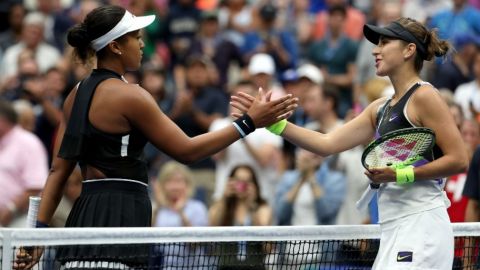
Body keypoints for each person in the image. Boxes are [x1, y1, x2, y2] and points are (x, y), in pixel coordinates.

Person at [14, 5, 297, 270]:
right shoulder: (131, 95)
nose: (141, 43)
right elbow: (187, 151)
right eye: (135, 37)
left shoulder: (74, 95)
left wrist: (36, 234)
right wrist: (249, 123)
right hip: (121, 223)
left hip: (81, 224)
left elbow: (57, 171)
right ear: (114, 46)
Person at [232, 17, 469, 269]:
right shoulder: (379, 108)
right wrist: (273, 123)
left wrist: (401, 174)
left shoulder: (424, 96)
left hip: (422, 224)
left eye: (385, 42)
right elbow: (326, 143)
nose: (375, 50)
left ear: (409, 50)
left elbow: (459, 159)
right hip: (392, 227)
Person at [208, 164, 272, 270]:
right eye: (238, 180)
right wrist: (224, 197)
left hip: (255, 267)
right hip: (227, 267)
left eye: (247, 181)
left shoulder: (262, 208)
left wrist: (251, 205)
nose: (242, 185)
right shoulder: (223, 205)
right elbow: (212, 224)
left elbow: (268, 246)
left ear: (254, 184)